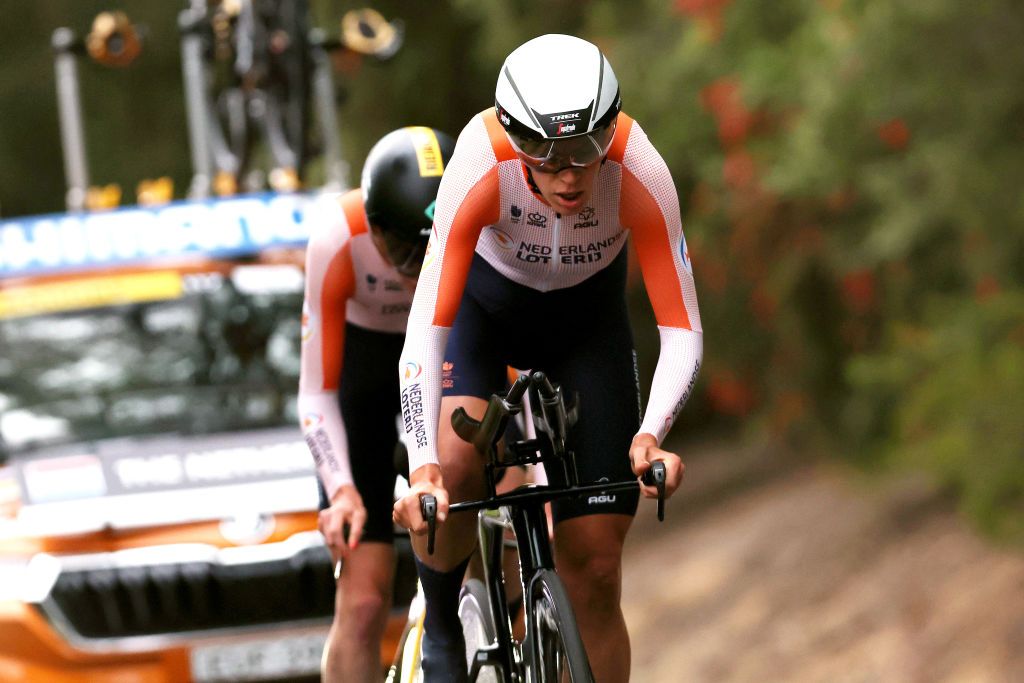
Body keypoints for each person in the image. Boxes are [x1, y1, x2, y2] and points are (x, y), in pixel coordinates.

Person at [392, 34, 703, 682]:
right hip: (483, 317)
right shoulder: (481, 159)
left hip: (585, 328)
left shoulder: (638, 168)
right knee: (454, 466)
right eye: (545, 153)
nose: (568, 174)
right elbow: (426, 325)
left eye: (586, 150)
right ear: (512, 137)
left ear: (610, 131)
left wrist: (650, 436)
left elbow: (682, 330)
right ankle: (444, 626)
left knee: (595, 566)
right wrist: (421, 468)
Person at [297, 125, 456, 683]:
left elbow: (511, 361)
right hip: (364, 376)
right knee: (364, 603)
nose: (413, 268)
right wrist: (341, 490)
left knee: (499, 544)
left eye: (429, 249)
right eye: (400, 249)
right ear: (373, 224)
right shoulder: (337, 236)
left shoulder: (477, 224)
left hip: (443, 356)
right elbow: (316, 391)